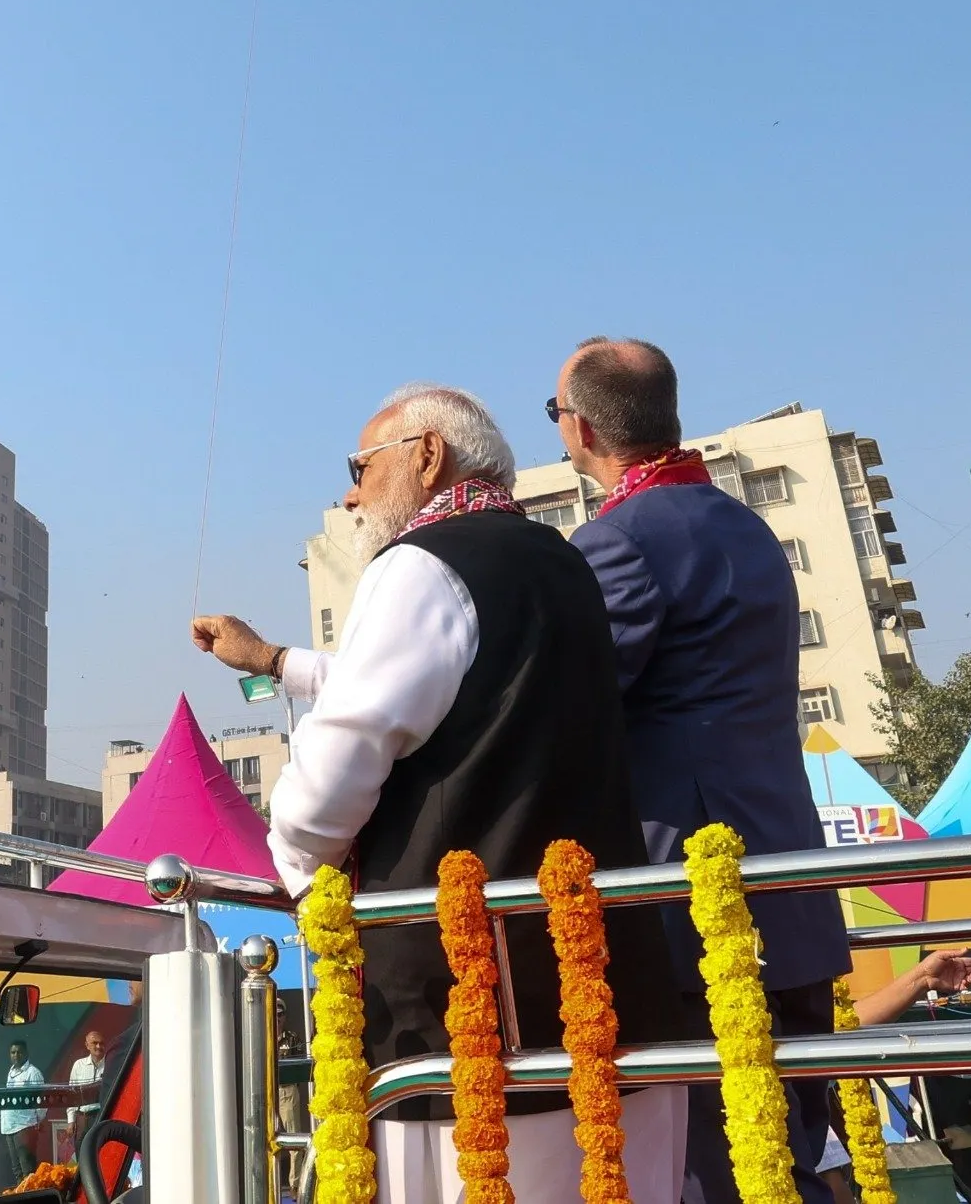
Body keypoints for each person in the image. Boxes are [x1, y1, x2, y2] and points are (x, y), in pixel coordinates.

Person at [192, 383, 689, 1204]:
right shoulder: (561, 560)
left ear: (426, 454)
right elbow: (449, 693)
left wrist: (304, 879)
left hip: (470, 1023)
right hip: (608, 1001)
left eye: (360, 465)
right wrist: (275, 658)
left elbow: (328, 780)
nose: (350, 493)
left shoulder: (422, 563)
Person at [550, 337, 855, 1204]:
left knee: (712, 1176)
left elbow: (575, 711)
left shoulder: (618, 540)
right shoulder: (748, 527)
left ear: (579, 426)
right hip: (792, 899)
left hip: (697, 916)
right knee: (788, 1160)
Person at [0, 1042, 45, 1183]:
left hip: (25, 1125)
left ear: (26, 1053)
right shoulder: (11, 1072)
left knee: (28, 1169)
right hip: (9, 1126)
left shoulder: (33, 1072)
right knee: (17, 1170)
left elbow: (42, 1101)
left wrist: (38, 1120)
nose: (16, 1055)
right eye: (13, 1052)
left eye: (19, 1052)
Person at [62, 1031, 107, 1154]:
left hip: (101, 1116)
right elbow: (72, 1094)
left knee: (100, 1153)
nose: (98, 1046)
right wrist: (71, 1121)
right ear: (87, 1045)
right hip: (82, 1117)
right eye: (94, 1043)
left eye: (101, 1043)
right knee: (81, 1153)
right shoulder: (79, 1065)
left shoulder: (110, 1064)